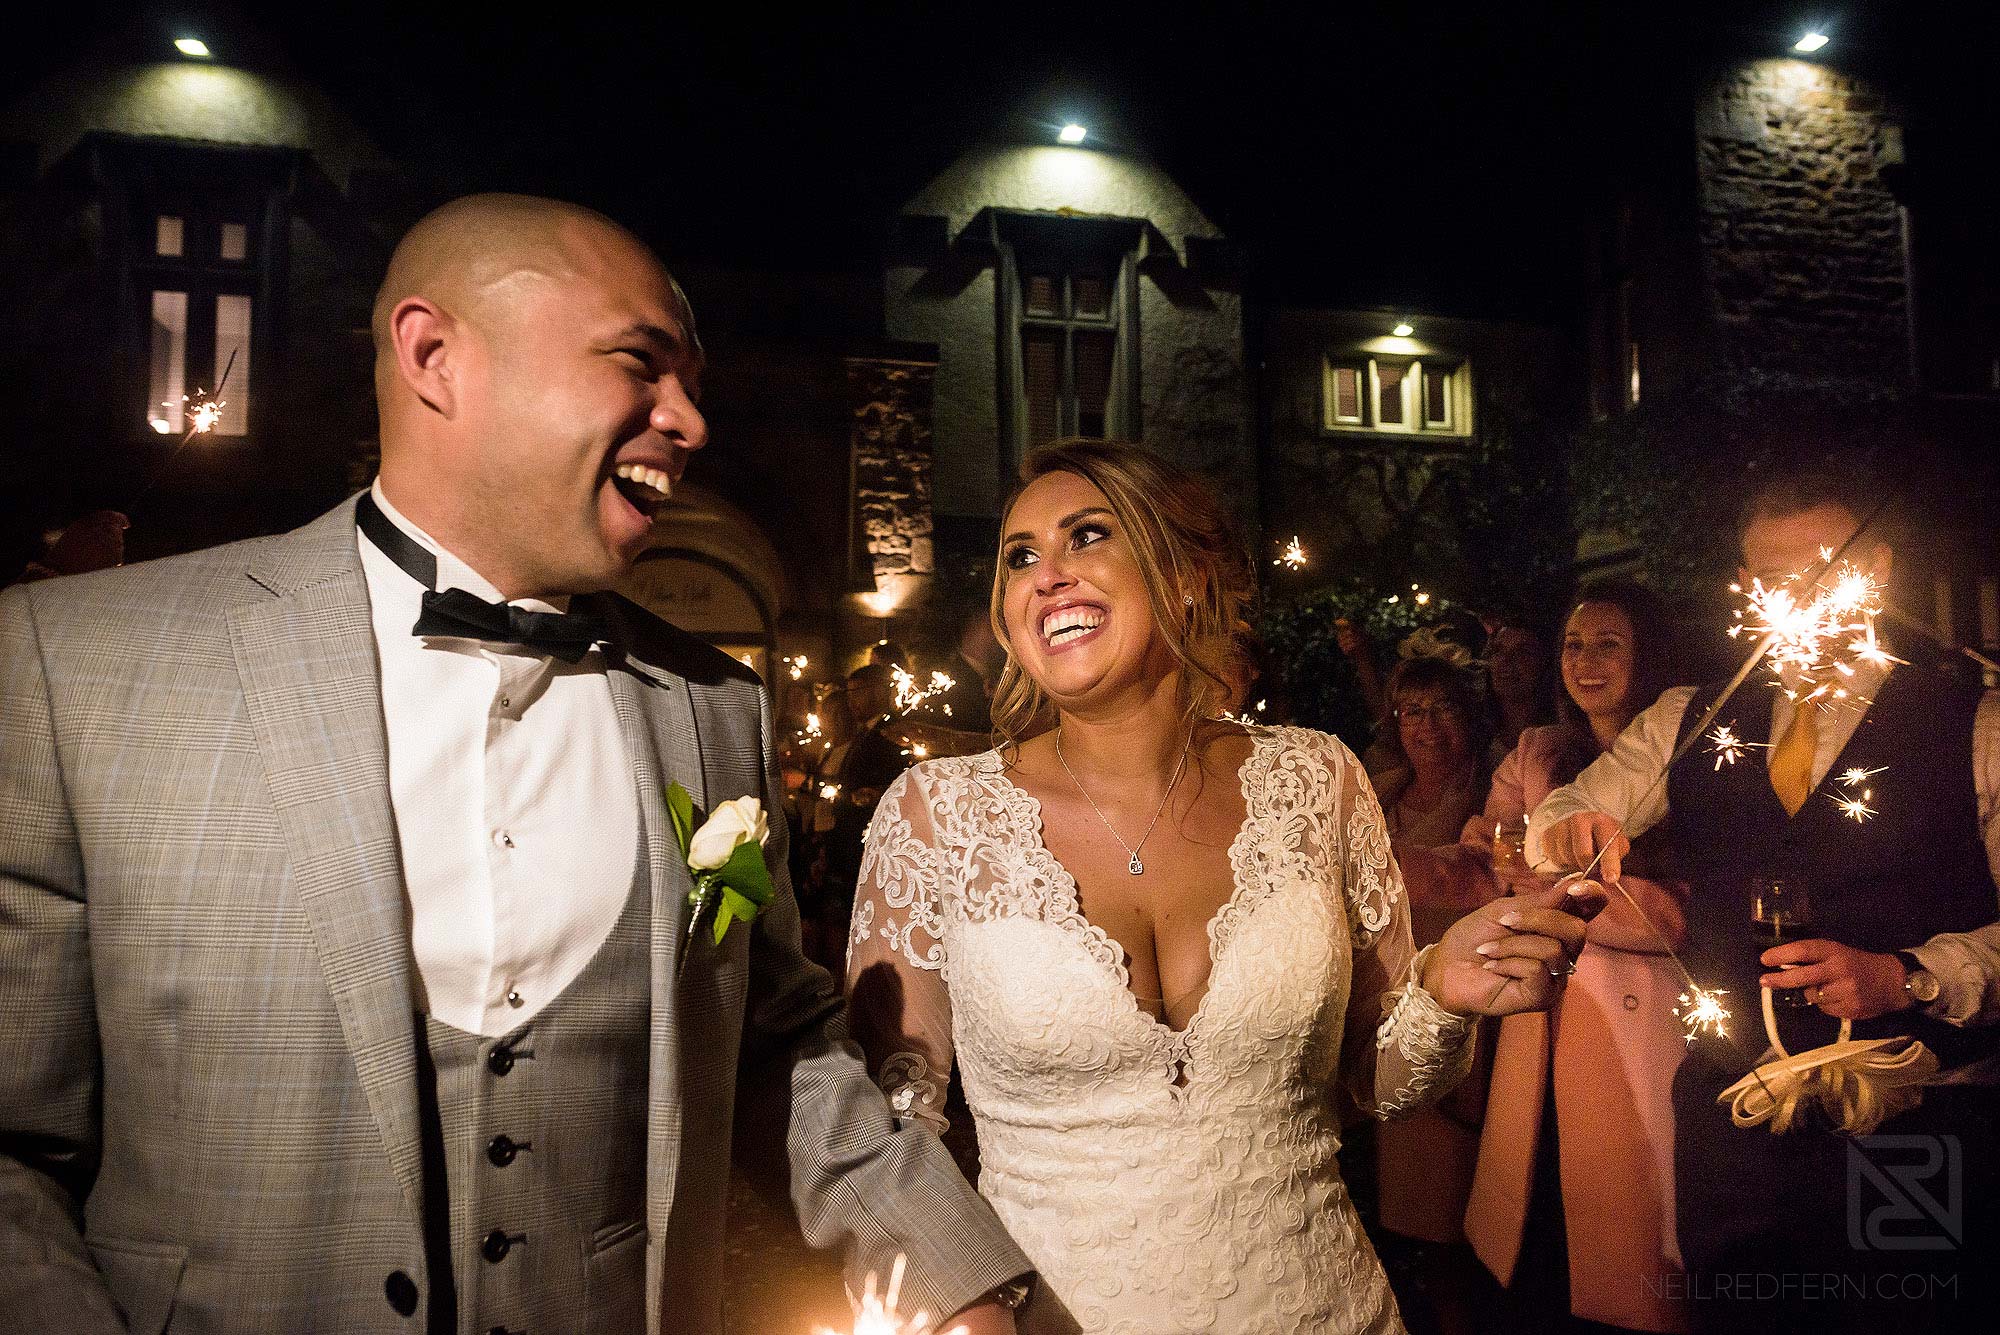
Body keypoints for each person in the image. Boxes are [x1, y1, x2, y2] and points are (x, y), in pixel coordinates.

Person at [0, 194, 1031, 1334]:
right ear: (435, 356)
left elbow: (771, 1049)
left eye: (692, 384)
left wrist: (962, 1281)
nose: (686, 421)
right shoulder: (74, 667)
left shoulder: (715, 706)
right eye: (641, 365)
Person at [844, 440, 1592, 1334]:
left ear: (1186, 573)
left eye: (1086, 536)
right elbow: (885, 1129)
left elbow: (1373, 1080)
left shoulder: (1319, 781)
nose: (1047, 575)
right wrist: (948, 1295)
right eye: (1020, 557)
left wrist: (1443, 994)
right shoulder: (935, 814)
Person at [1534, 474, 2000, 1333]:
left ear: (1878, 571)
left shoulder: (1973, 719)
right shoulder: (1691, 715)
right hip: (1732, 1127)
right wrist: (1569, 830)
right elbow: (1557, 815)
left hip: (1914, 1133)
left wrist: (1912, 976)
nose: (1794, 602)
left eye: (1818, 574)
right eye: (1771, 581)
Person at [1459, 580, 1691, 1333]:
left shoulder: (1689, 749)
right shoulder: (1540, 750)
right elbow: (1486, 853)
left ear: (1646, 653)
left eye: (1608, 644)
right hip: (1544, 1013)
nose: (1585, 662)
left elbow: (1680, 912)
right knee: (1541, 1227)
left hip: (1645, 1018)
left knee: (1629, 1245)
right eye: (1573, 644)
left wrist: (1556, 893)